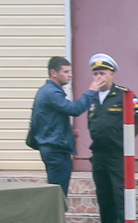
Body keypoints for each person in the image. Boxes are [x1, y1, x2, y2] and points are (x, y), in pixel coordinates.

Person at [84, 53, 138, 223]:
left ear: (112, 74)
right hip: (99, 154)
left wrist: (126, 139)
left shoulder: (124, 94)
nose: (98, 77)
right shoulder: (92, 96)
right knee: (105, 197)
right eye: (95, 73)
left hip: (117, 154)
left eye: (102, 73)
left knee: (122, 196)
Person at [30, 56, 97, 197]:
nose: (70, 75)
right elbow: (74, 109)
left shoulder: (47, 91)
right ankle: (55, 219)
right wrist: (91, 91)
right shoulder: (51, 92)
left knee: (57, 193)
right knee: (58, 195)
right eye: (66, 72)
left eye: (70, 71)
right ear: (53, 73)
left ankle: (55, 218)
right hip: (56, 151)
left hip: (53, 148)